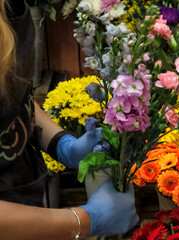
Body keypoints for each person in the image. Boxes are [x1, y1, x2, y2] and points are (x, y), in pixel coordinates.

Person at [0, 0, 139, 239]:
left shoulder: (11, 7)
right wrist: (82, 220)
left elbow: (15, 98)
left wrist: (62, 144)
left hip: (29, 199)